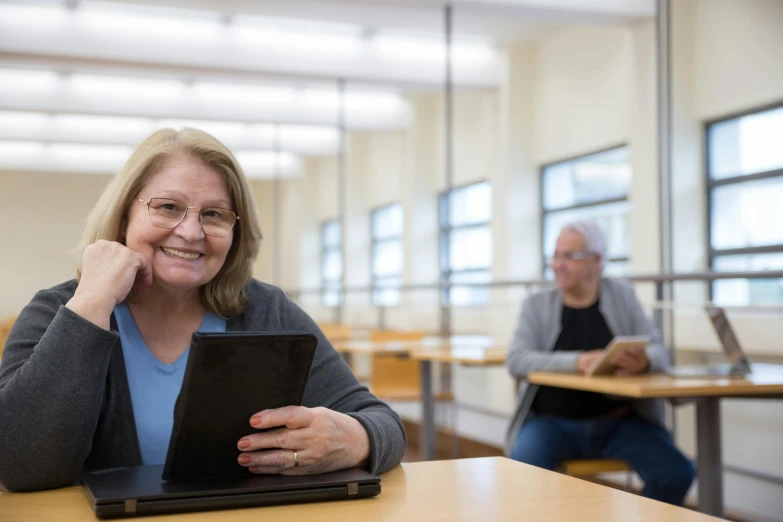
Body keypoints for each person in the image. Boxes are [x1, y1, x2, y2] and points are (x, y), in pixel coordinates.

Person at [0, 128, 406, 492]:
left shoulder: (265, 311)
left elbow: (384, 424)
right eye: (168, 207)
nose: (191, 232)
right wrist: (92, 301)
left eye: (213, 214)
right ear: (124, 214)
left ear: (234, 232)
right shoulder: (56, 311)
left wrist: (353, 438)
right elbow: (20, 467)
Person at [505, 221, 694, 505]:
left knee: (676, 473)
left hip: (620, 424)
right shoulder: (537, 304)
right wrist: (578, 361)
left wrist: (644, 361)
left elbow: (659, 352)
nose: (558, 265)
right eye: (556, 256)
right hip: (550, 424)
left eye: (569, 256)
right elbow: (516, 360)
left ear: (597, 261)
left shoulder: (623, 296)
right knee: (524, 472)